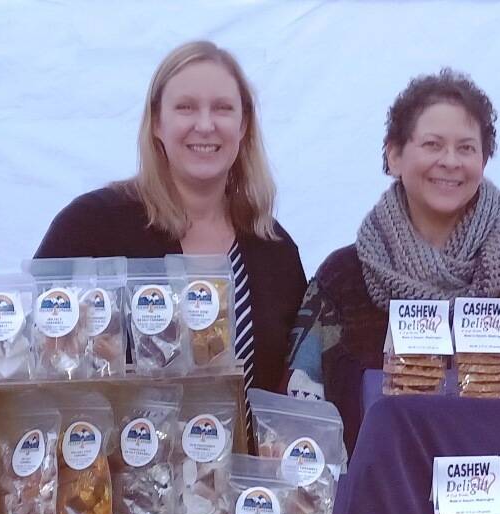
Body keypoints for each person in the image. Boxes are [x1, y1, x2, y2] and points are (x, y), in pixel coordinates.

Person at [286, 68, 500, 448]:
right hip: (378, 501)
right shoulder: (343, 279)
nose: (450, 161)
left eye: (466, 148)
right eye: (433, 145)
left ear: (484, 160)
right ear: (394, 155)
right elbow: (296, 417)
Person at [35, 40, 306, 393]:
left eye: (223, 108)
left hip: (243, 449)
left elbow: (290, 389)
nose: (206, 125)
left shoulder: (274, 249)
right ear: (157, 123)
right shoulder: (90, 227)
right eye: (186, 107)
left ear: (243, 126)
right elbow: (28, 356)